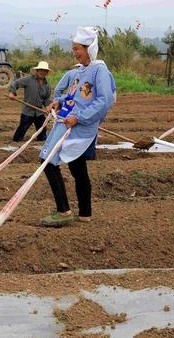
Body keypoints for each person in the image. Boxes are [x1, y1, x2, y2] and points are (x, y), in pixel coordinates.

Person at [39, 27, 116, 227]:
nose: (74, 53)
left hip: (78, 126)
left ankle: (64, 211)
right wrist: (59, 102)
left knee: (46, 160)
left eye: (77, 49)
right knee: (77, 166)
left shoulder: (100, 70)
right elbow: (73, 96)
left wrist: (80, 118)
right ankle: (85, 213)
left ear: (89, 48)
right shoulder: (80, 71)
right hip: (67, 121)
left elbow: (104, 100)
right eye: (73, 49)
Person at [8, 61, 52, 142]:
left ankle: (41, 144)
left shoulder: (47, 85)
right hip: (27, 111)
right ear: (37, 71)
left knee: (42, 132)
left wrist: (48, 107)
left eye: (44, 71)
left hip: (39, 112)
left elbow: (46, 99)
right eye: (41, 70)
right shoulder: (28, 80)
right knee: (21, 130)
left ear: (47, 72)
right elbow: (15, 83)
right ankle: (15, 142)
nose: (42, 72)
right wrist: (12, 92)